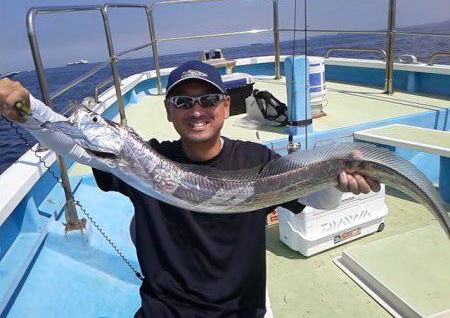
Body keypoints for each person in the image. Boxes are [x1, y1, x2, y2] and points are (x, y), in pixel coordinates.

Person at [0, 60, 380, 318]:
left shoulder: (257, 159)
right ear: (168, 110)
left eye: (208, 100)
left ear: (226, 105)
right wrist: (29, 109)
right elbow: (73, 142)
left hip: (240, 311)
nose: (196, 110)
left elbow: (315, 198)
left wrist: (340, 184)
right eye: (183, 101)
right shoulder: (144, 161)